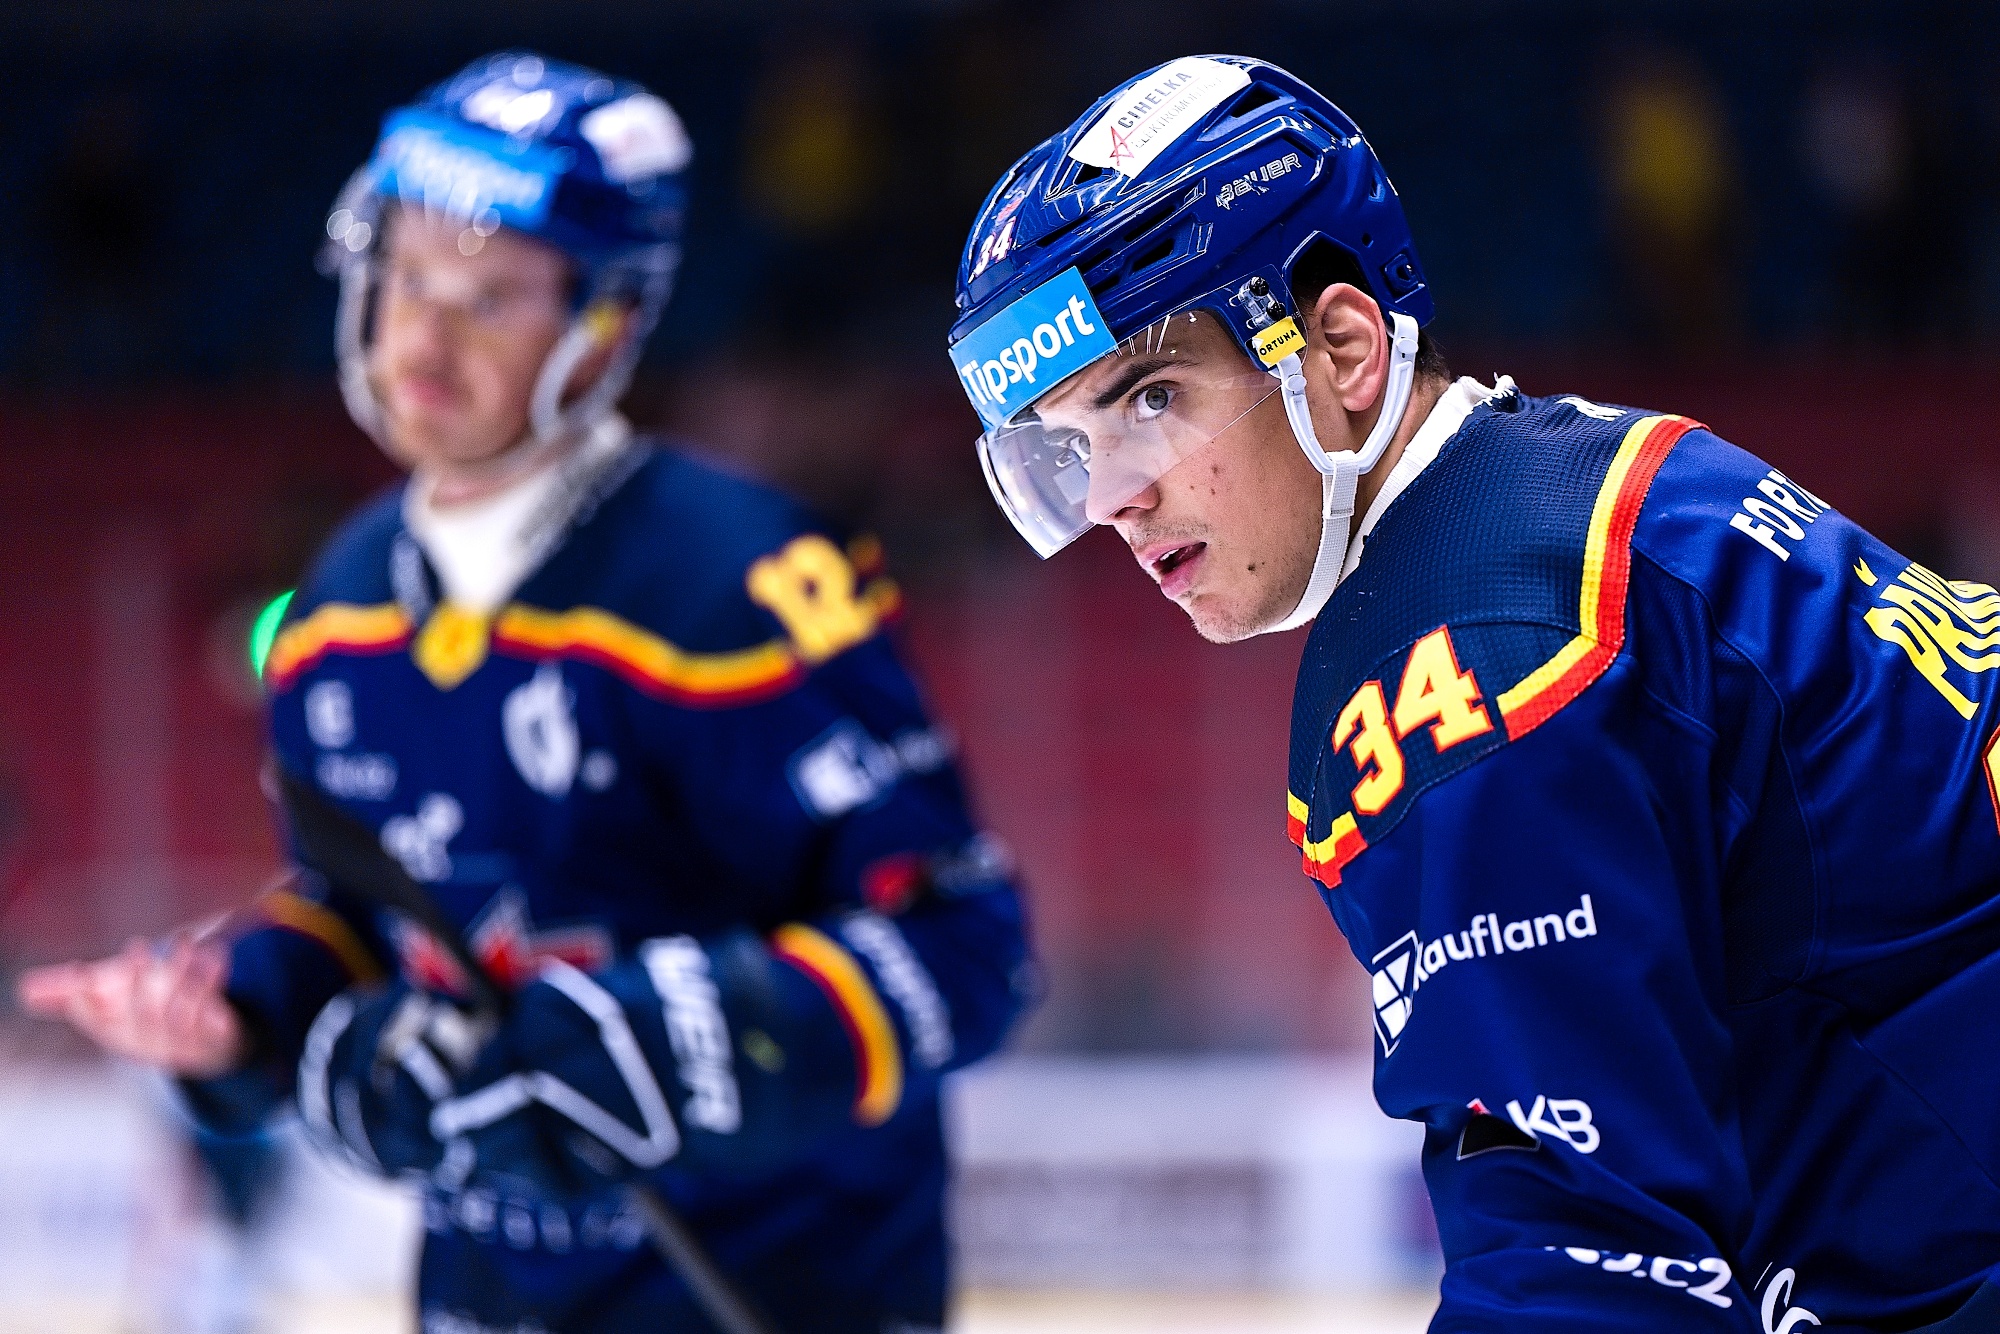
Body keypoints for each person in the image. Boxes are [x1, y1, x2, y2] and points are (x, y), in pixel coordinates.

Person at [947, 54, 2000, 1331]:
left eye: (1152, 399)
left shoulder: (1459, 663)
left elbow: (1585, 1260)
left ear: (1341, 347)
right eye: (1070, 444)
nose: (1114, 494)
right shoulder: (1589, 477)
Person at [21, 51, 1031, 1334]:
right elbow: (367, 908)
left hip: (773, 1297)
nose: (424, 337)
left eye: (489, 298)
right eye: (406, 279)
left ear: (601, 325)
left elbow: (965, 948)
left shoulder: (745, 586)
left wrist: (666, 1040)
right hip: (490, 1299)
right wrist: (245, 1009)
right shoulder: (339, 609)